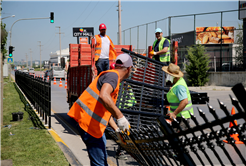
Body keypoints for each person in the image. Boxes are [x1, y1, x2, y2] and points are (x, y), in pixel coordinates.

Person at [67, 53, 133, 166]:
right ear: (128, 69)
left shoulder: (112, 75)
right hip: (90, 126)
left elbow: (106, 109)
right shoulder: (113, 77)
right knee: (100, 164)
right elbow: (104, 96)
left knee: (101, 161)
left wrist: (116, 129)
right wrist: (120, 116)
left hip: (92, 126)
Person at [162, 63, 193, 132]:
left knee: (176, 140)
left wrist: (174, 114)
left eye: (168, 74)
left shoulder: (179, 86)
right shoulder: (178, 82)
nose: (166, 75)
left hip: (181, 117)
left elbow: (185, 101)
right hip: (180, 116)